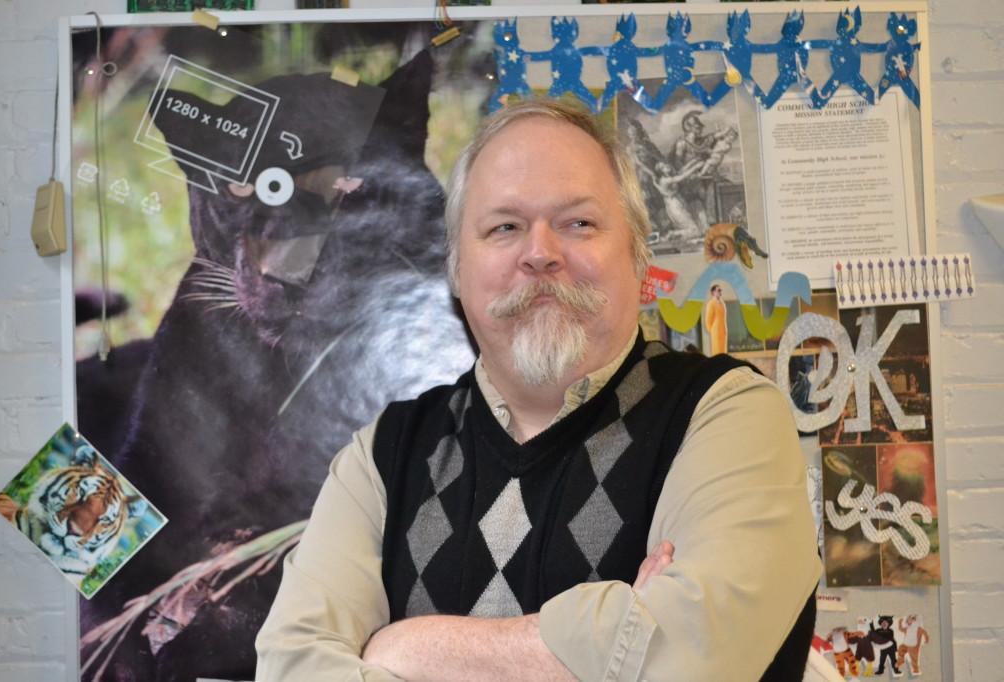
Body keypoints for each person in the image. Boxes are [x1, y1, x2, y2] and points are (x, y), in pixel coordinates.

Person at [255, 99, 821, 681]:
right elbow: (291, 667)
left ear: (637, 253)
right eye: (505, 227)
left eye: (579, 223)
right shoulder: (383, 456)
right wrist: (604, 646)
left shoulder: (724, 416)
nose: (541, 253)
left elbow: (692, 663)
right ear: (455, 269)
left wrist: (407, 650)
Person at [704, 284, 728, 355]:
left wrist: (725, 328)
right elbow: (708, 320)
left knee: (723, 350)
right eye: (719, 290)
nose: (720, 292)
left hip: (723, 330)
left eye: (721, 290)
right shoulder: (711, 304)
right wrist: (712, 330)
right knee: (717, 351)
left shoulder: (722, 303)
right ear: (713, 292)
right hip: (715, 331)